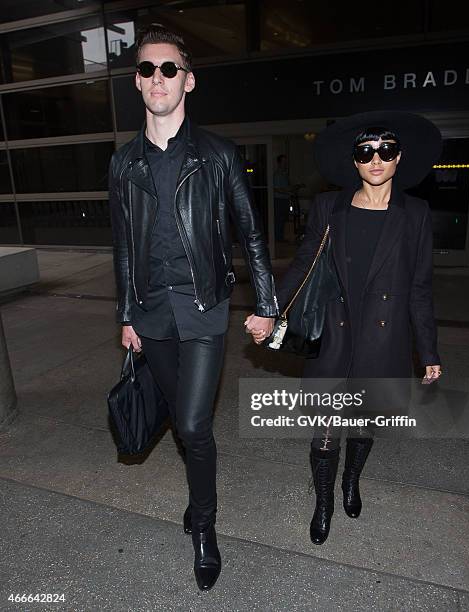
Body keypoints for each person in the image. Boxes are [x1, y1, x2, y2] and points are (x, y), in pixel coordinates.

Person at [108, 23, 276, 591]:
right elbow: (123, 246)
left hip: (203, 309)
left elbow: (251, 235)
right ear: (137, 82)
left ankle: (204, 526)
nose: (159, 77)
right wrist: (126, 315)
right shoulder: (123, 163)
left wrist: (267, 304)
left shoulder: (218, 156)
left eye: (169, 68)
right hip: (152, 314)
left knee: (195, 424)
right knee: (182, 421)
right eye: (148, 69)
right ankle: (197, 502)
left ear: (188, 80)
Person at [251, 111, 442, 545]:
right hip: (335, 334)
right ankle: (324, 504)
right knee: (326, 428)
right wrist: (269, 309)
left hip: (384, 337)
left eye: (386, 151)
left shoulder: (415, 213)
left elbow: (419, 287)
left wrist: (428, 350)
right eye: (365, 152)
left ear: (399, 158)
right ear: (354, 161)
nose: (376, 159)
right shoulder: (329, 207)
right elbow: (303, 265)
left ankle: (351, 482)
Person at [273, 154, 292, 242]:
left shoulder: (284, 174)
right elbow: (276, 189)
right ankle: (278, 238)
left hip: (284, 199)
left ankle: (280, 237)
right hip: (279, 200)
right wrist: (288, 192)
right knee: (279, 220)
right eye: (283, 162)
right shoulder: (277, 175)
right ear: (279, 163)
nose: (285, 164)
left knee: (282, 220)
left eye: (286, 162)